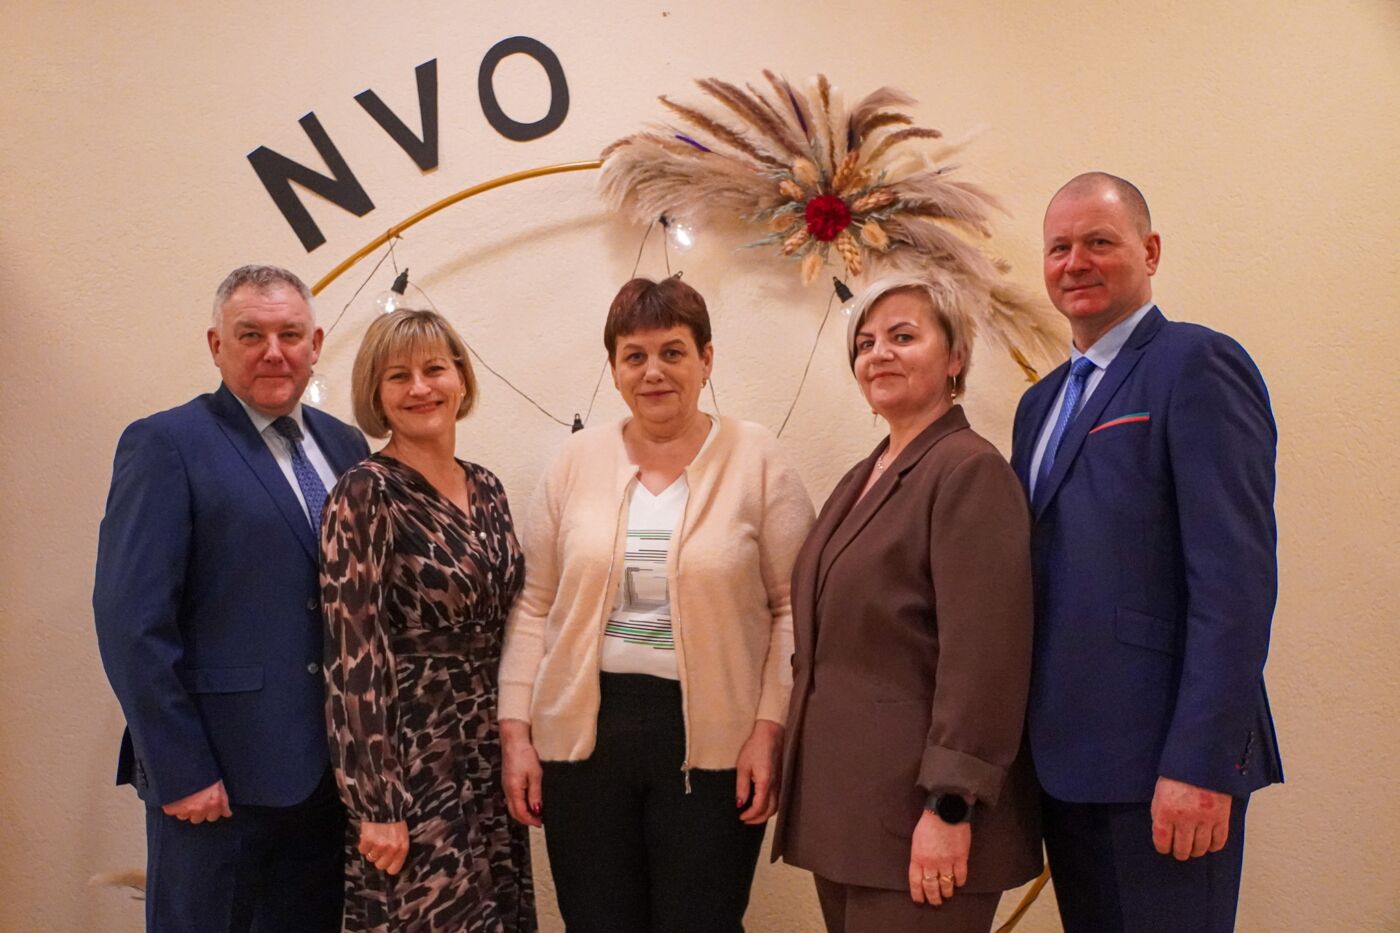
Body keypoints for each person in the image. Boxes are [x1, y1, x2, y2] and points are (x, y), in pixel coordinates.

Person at [498, 275, 814, 933]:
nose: (653, 372)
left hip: (715, 740)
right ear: (614, 369)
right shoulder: (574, 461)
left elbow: (793, 608)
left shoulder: (756, 458)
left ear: (706, 358)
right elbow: (534, 605)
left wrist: (770, 728)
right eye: (634, 356)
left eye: (673, 352)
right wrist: (516, 733)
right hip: (583, 737)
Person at [1011, 173, 1282, 932]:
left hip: (1165, 763)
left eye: (1099, 241)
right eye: (1059, 248)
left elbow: (1236, 584)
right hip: (1066, 765)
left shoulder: (1197, 363)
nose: (1075, 262)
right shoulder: (1038, 405)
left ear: (1150, 251)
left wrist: (1200, 763)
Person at [93, 264, 369, 932]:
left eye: (290, 334)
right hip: (216, 783)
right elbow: (132, 623)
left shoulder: (346, 445)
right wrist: (181, 768)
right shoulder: (166, 444)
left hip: (327, 784)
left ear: (315, 343)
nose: (273, 351)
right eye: (251, 334)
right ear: (217, 345)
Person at [772, 275, 1042, 933]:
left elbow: (985, 661)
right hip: (850, 816)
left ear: (955, 358)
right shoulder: (863, 476)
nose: (879, 354)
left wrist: (951, 806)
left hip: (923, 817)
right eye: (865, 343)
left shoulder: (969, 471)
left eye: (902, 336)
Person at [319, 308, 536, 932]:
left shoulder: (487, 487)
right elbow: (352, 655)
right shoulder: (365, 493)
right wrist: (376, 802)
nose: (420, 388)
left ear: (461, 379)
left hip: (488, 745)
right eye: (399, 376)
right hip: (413, 758)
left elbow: (514, 622)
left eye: (434, 369)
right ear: (377, 395)